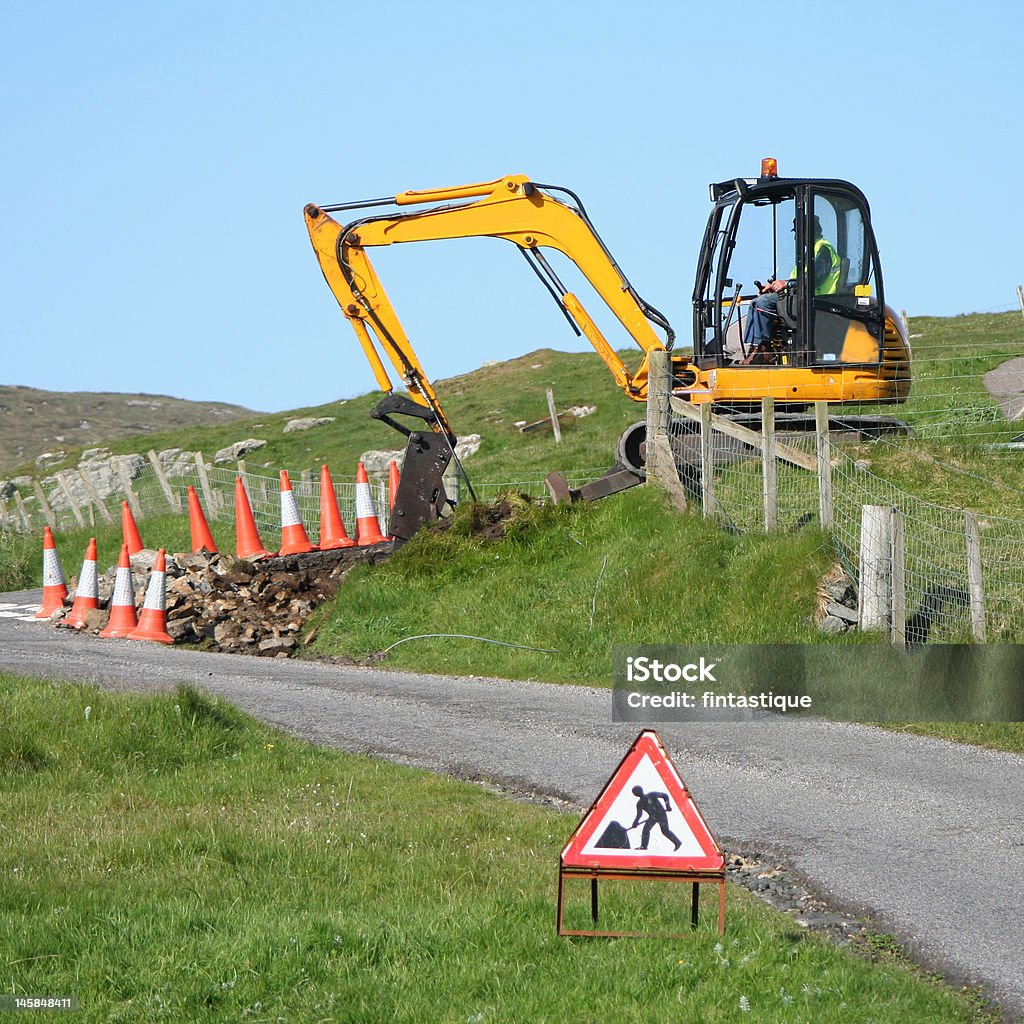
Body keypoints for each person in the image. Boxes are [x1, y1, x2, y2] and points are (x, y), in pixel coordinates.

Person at [741, 215, 841, 362]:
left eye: (798, 232)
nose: (796, 237)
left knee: (762, 303)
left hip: (817, 301)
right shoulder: (811, 252)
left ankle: (765, 349)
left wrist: (786, 284)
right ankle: (757, 346)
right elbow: (798, 279)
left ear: (808, 231)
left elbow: (815, 278)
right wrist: (774, 287)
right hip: (801, 296)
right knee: (757, 302)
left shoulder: (823, 249)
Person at [628, 785, 682, 851]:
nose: (635, 793)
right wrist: (635, 822)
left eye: (635, 792)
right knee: (646, 830)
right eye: (634, 793)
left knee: (665, 831)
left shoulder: (652, 795)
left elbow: (665, 796)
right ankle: (643, 846)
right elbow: (639, 814)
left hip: (661, 814)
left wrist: (668, 806)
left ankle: (677, 842)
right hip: (653, 817)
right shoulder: (639, 803)